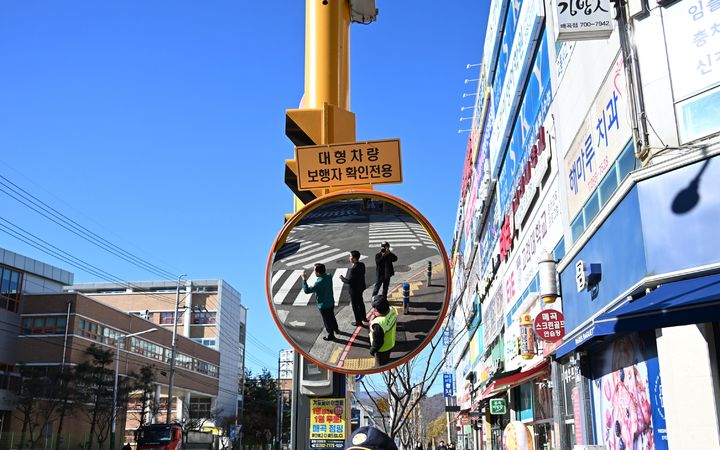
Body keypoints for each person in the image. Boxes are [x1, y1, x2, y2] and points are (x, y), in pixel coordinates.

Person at [302, 263, 338, 341]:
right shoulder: (329, 276)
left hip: (323, 305)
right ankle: (336, 329)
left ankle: (331, 335)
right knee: (331, 316)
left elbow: (307, 290)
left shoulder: (319, 283)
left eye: (314, 270)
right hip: (331, 302)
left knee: (327, 321)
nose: (314, 272)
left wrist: (304, 280)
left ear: (318, 272)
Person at [339, 250, 368, 326]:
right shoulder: (362, 264)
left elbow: (350, 281)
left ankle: (358, 321)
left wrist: (342, 278)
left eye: (350, 256)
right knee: (361, 303)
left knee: (355, 306)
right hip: (361, 287)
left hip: (354, 290)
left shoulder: (354, 269)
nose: (349, 258)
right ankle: (364, 318)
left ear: (354, 258)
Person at [369, 295, 398, 366]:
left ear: (377, 310)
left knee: (381, 363)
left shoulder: (378, 324)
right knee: (387, 356)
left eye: (374, 308)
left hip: (382, 349)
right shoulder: (392, 310)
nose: (373, 310)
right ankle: (387, 360)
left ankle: (384, 364)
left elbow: (378, 342)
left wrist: (372, 351)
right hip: (391, 342)